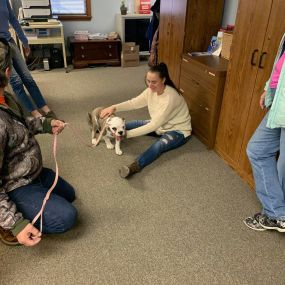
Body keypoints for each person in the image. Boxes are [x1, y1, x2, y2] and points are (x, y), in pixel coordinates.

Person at [0, 39, 77, 246]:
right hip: (13, 184)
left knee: (69, 194)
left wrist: (46, 124)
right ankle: (5, 220)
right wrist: (15, 224)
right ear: (8, 72)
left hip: (28, 171)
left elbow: (20, 123)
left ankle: (32, 191)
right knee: (66, 218)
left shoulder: (4, 98)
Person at [101, 62, 192, 178]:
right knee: (131, 125)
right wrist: (114, 107)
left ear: (163, 80)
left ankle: (134, 166)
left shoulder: (170, 98)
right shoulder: (151, 91)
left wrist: (126, 135)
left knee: (159, 146)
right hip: (160, 125)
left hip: (178, 131)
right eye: (148, 81)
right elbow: (134, 103)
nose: (150, 85)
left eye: (154, 82)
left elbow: (153, 126)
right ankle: (107, 130)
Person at [244, 33, 285, 232]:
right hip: (279, 99)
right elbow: (281, 64)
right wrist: (269, 89)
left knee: (284, 165)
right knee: (257, 149)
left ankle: (276, 215)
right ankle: (277, 213)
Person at [0, 0, 56, 118]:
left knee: (27, 77)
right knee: (16, 81)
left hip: (10, 42)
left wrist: (24, 41)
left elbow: (13, 19)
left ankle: (45, 108)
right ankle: (34, 113)